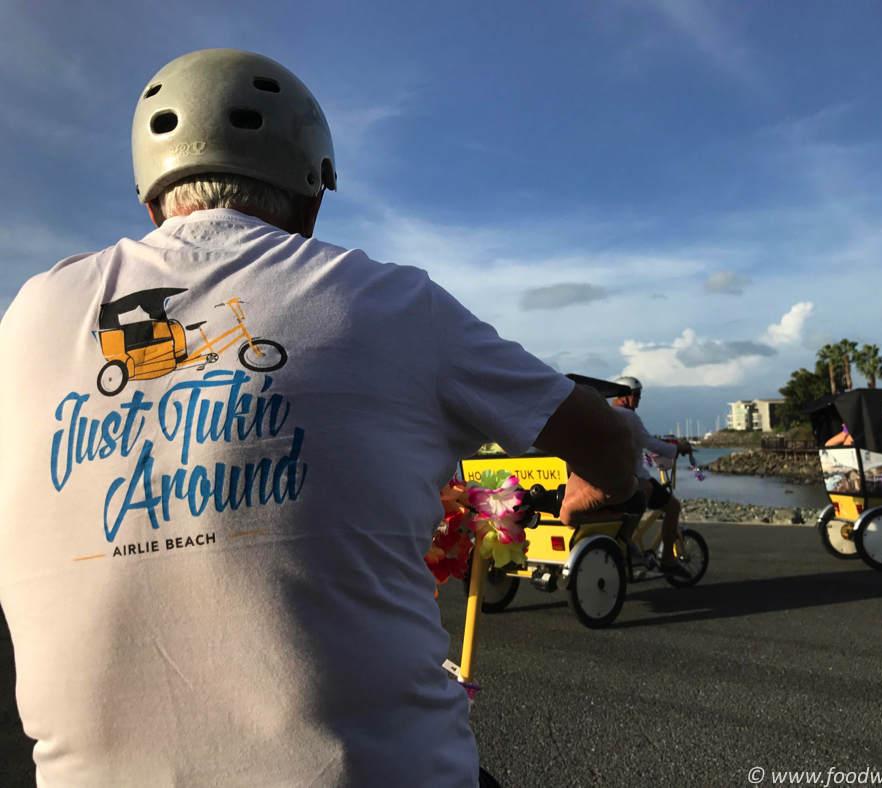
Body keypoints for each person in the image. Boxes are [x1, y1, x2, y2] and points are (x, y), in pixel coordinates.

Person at [0, 49, 638, 787]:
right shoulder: (389, 303)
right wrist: (612, 482)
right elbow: (598, 437)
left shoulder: (28, 319)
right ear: (311, 199)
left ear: (152, 202)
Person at [610, 376, 692, 578]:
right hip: (634, 476)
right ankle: (668, 561)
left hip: (612, 476)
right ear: (625, 396)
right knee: (673, 507)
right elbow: (651, 444)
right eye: (636, 395)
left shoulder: (608, 414)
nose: (638, 400)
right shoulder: (629, 416)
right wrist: (678, 448)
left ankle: (626, 540)